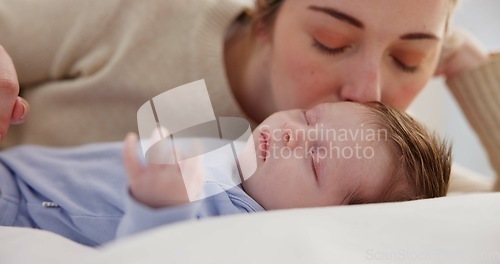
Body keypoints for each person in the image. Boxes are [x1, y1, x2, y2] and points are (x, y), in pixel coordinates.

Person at [0, 1, 497, 188]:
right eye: (332, 42)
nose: (368, 91)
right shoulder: (138, 15)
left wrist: (473, 68)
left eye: (409, 59)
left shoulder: (382, 172)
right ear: (265, 13)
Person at [0, 101, 451, 247]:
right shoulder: (238, 151)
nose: (291, 133)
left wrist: (161, 207)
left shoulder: (238, 229)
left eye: (315, 160)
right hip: (20, 168)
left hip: (20, 213)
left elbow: (164, 254)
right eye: (309, 118)